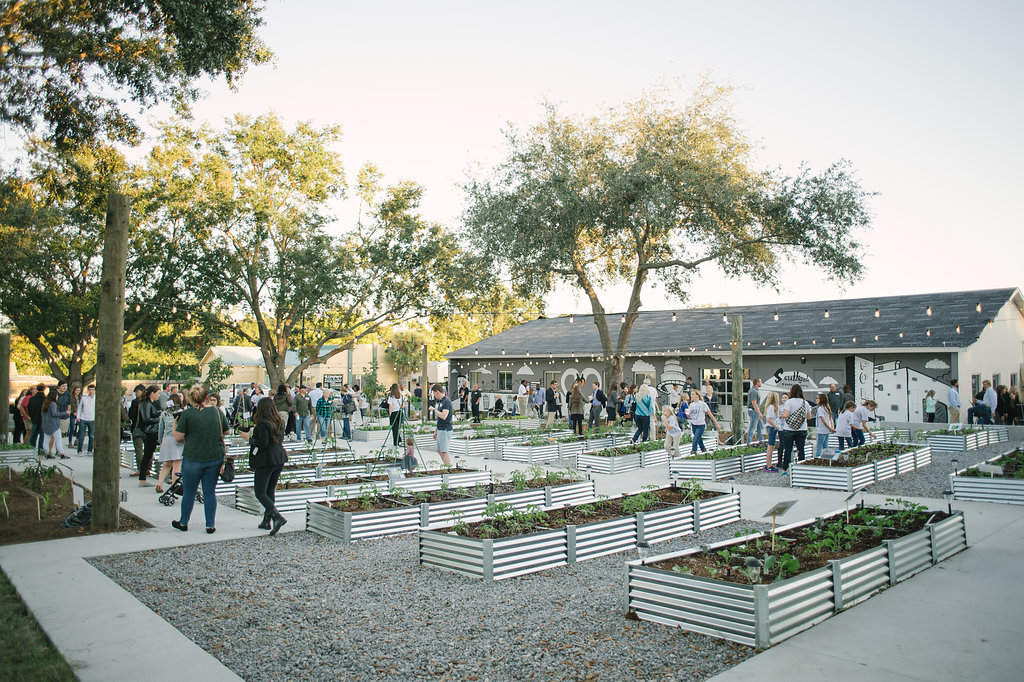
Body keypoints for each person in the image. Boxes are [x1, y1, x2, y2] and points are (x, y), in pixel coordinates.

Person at [172, 384, 229, 534]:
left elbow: (178, 437)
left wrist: (174, 425)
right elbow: (227, 431)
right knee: (210, 492)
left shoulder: (188, 414)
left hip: (193, 457)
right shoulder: (217, 412)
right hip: (213, 456)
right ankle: (210, 524)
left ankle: (184, 522)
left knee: (189, 492)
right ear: (206, 397)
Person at [239, 397, 288, 535]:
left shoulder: (263, 424)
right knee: (270, 490)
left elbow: (263, 444)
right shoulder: (279, 422)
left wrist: (249, 439)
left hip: (266, 460)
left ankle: (276, 516)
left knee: (260, 492)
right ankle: (266, 520)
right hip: (279, 458)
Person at [778, 384, 813, 472]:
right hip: (802, 429)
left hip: (789, 429)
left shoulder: (789, 402)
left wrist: (781, 415)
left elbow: (786, 415)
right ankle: (801, 469)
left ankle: (785, 469)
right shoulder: (805, 402)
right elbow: (809, 417)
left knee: (788, 450)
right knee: (801, 450)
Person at [155, 393, 184, 493]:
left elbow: (160, 429)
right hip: (177, 440)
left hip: (166, 440)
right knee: (177, 465)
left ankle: (159, 483)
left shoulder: (164, 413)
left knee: (166, 465)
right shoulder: (181, 412)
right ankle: (174, 486)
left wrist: (160, 441)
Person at [137, 385, 162, 486]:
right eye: (157, 393)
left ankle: (142, 478)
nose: (158, 396)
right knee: (147, 455)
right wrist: (159, 419)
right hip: (149, 433)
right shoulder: (146, 404)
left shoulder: (148, 404)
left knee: (148, 454)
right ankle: (142, 478)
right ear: (152, 393)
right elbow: (146, 419)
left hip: (150, 432)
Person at [685, 389, 719, 453]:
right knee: (699, 438)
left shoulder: (703, 404)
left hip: (700, 425)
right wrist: (687, 414)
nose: (691, 396)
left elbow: (710, 414)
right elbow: (689, 416)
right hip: (694, 424)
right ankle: (703, 449)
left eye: (693, 394)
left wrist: (716, 423)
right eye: (691, 394)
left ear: (697, 395)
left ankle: (694, 450)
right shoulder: (691, 405)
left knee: (695, 439)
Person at [41, 387, 70, 459]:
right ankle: (62, 453)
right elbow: (54, 414)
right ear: (54, 397)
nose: (57, 397)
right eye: (57, 396)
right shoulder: (53, 404)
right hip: (54, 425)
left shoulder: (45, 404)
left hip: (46, 425)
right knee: (58, 440)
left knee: (46, 440)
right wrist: (65, 413)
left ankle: (47, 453)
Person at [431, 384, 454, 466]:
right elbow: (440, 419)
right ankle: (446, 464)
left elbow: (444, 416)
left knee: (444, 450)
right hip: (440, 428)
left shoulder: (446, 402)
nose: (434, 395)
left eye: (434, 393)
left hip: (445, 429)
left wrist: (434, 410)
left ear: (437, 392)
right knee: (439, 450)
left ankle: (448, 467)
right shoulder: (440, 402)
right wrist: (436, 431)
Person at [127, 383, 146, 475]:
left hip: (137, 428)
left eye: (137, 392)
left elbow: (131, 415)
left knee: (139, 449)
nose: (136, 393)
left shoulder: (135, 402)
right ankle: (147, 468)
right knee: (147, 449)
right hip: (148, 428)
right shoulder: (150, 401)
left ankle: (140, 469)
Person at [762, 392, 782, 471]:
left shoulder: (773, 407)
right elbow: (768, 419)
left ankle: (769, 464)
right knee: (770, 446)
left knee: (772, 446)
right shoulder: (771, 407)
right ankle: (768, 465)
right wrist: (775, 425)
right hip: (771, 427)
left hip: (773, 427)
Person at [75, 383, 96, 454]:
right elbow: (80, 408)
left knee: (92, 435)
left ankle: (90, 450)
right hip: (83, 418)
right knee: (81, 435)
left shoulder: (96, 399)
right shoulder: (84, 398)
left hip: (92, 418)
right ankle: (79, 450)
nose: (91, 391)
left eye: (92, 390)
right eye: (90, 390)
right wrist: (78, 417)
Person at [814, 393, 836, 458]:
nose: (816, 400)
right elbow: (830, 418)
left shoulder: (820, 409)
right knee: (825, 445)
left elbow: (823, 420)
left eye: (817, 398)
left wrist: (830, 428)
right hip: (827, 430)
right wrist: (832, 427)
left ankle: (818, 457)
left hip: (821, 430)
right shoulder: (827, 408)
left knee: (819, 445)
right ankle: (826, 457)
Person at [28, 382, 47, 454]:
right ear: (44, 389)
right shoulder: (45, 399)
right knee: (42, 435)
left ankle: (31, 448)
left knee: (33, 435)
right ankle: (40, 449)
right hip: (42, 419)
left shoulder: (32, 399)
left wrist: (31, 416)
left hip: (34, 418)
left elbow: (29, 408)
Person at [746, 377, 764, 445]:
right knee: (752, 427)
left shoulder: (754, 390)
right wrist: (759, 413)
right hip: (754, 411)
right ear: (757, 383)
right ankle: (749, 443)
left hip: (755, 411)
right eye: (760, 382)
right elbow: (754, 403)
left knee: (760, 426)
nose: (761, 383)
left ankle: (761, 441)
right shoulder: (754, 391)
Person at [387, 383, 404, 448]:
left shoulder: (391, 397)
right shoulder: (400, 396)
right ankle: (399, 440)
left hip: (394, 412)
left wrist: (390, 413)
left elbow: (390, 406)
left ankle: (396, 442)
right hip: (400, 412)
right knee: (398, 427)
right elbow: (403, 403)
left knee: (394, 428)